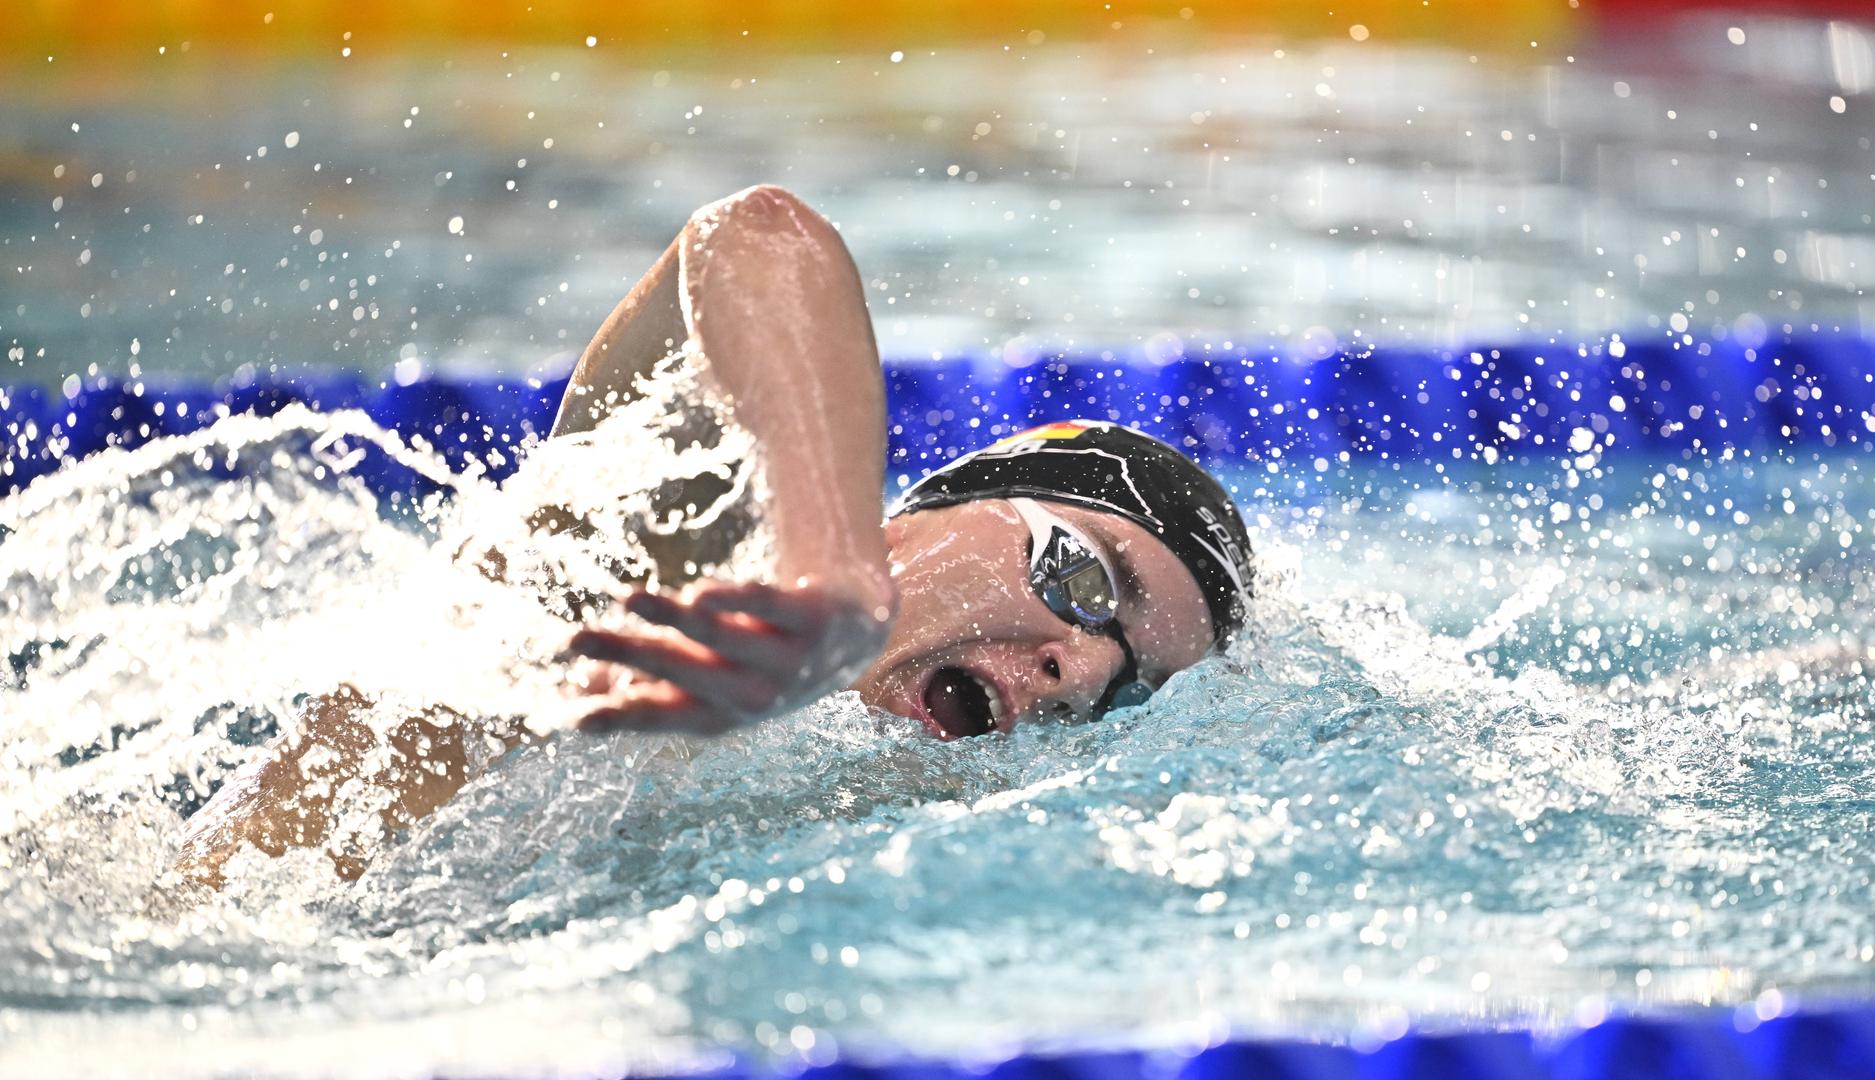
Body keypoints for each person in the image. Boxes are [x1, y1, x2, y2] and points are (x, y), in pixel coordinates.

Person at [173, 185, 1252, 887]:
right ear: (934, 511)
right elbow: (759, 238)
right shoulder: (669, 544)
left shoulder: (838, 840)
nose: (1079, 669)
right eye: (1079, 575)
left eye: (1130, 689)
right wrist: (833, 574)